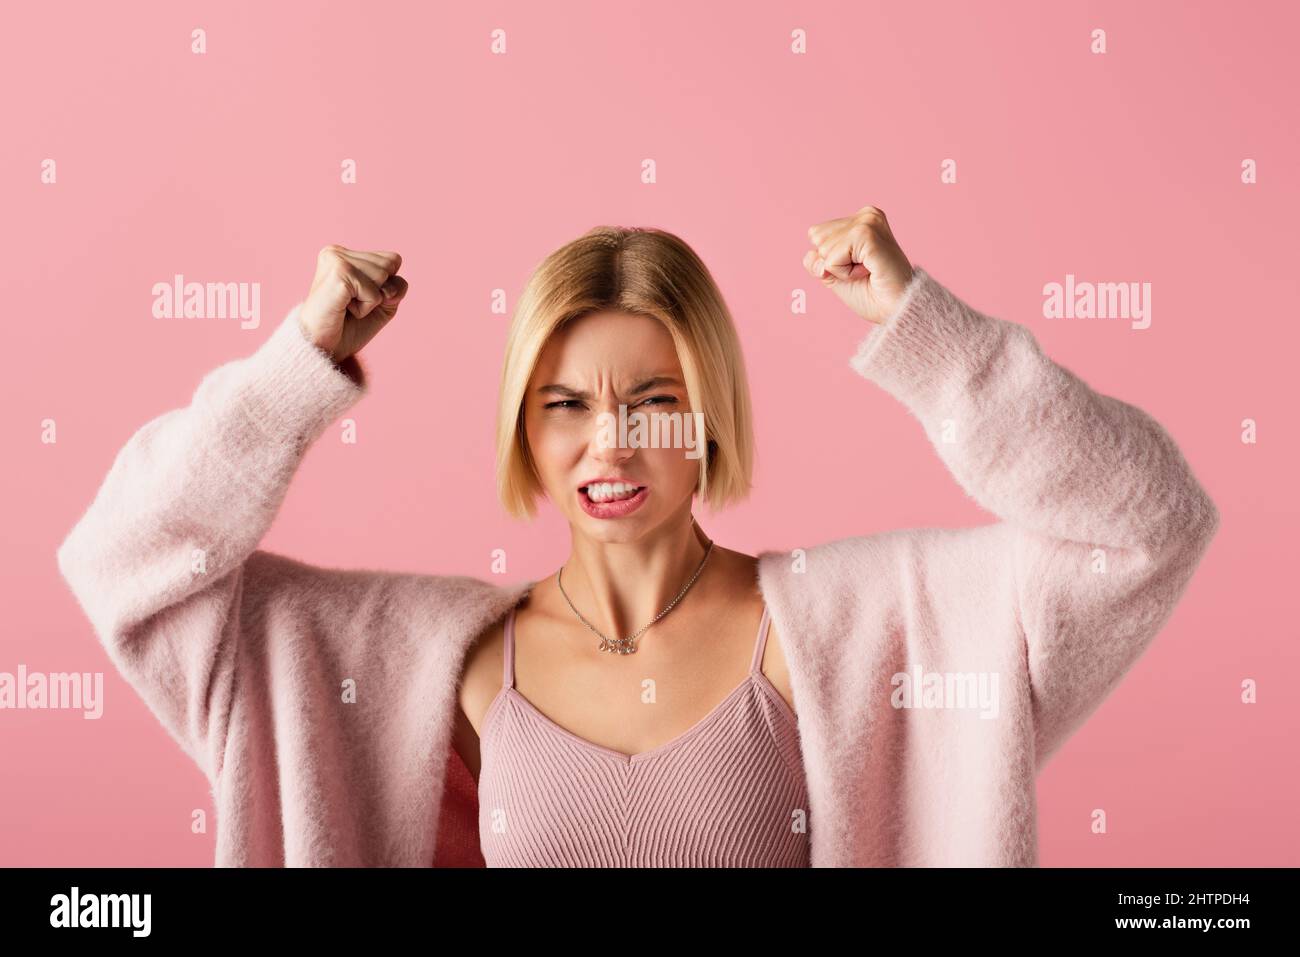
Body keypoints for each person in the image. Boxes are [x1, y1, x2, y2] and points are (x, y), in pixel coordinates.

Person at [56, 207, 1219, 867]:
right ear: (524, 424)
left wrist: (932, 336)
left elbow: (1144, 526)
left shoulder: (871, 630)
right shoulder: (425, 661)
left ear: (709, 411)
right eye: (566, 405)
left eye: (653, 402)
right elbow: (125, 563)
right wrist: (293, 367)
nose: (608, 445)